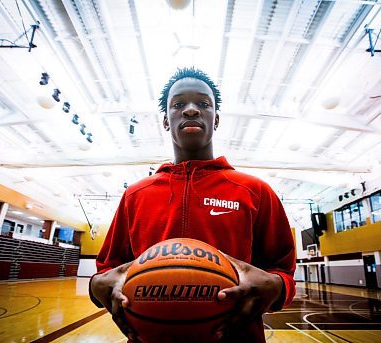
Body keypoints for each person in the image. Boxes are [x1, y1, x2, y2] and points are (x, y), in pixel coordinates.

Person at [89, 67, 296, 342]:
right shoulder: (136, 194)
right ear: (166, 120)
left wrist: (278, 286)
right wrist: (98, 287)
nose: (190, 110)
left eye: (203, 103)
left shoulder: (254, 190)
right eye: (178, 104)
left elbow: (284, 270)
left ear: (216, 118)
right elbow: (106, 269)